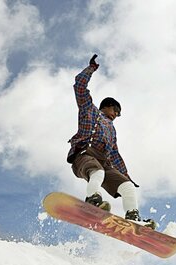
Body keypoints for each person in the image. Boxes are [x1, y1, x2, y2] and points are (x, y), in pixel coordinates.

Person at [66, 54, 156, 229]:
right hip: (85, 155)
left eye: (119, 113)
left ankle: (133, 218)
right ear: (106, 106)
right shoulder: (89, 111)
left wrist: (127, 177)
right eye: (115, 110)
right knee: (97, 172)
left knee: (128, 187)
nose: (116, 114)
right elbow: (79, 86)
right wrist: (90, 69)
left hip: (104, 161)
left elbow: (115, 156)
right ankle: (92, 199)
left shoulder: (112, 131)